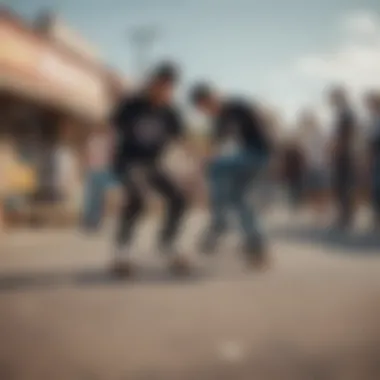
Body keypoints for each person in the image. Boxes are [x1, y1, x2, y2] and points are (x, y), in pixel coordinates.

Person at [110, 62, 192, 275]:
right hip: (128, 162)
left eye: (167, 87)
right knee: (137, 197)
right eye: (158, 84)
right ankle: (123, 252)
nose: (162, 90)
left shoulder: (171, 113)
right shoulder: (131, 105)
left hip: (154, 164)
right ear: (151, 84)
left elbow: (181, 143)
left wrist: (191, 172)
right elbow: (112, 125)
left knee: (180, 198)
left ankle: (167, 243)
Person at [190, 83, 271, 268]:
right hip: (247, 158)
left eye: (206, 107)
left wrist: (207, 160)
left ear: (211, 98)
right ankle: (256, 244)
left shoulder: (235, 108)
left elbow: (225, 142)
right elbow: (216, 145)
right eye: (204, 110)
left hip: (257, 154)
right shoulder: (219, 119)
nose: (207, 112)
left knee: (215, 167)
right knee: (239, 199)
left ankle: (219, 223)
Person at [329, 87, 357, 229]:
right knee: (342, 186)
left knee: (344, 186)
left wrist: (336, 151)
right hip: (344, 155)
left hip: (345, 155)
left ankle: (346, 217)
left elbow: (345, 137)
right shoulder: (343, 114)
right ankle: (344, 216)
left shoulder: (346, 114)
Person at [82, 124, 114, 231]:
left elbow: (111, 157)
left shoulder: (106, 142)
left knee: (99, 198)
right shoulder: (93, 141)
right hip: (93, 170)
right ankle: (90, 221)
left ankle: (96, 221)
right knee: (91, 198)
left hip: (102, 170)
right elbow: (87, 155)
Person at [298, 110, 330, 221]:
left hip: (321, 164)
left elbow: (327, 148)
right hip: (312, 164)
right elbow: (303, 151)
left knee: (321, 188)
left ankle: (322, 209)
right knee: (313, 188)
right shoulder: (305, 134)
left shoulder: (321, 133)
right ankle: (317, 210)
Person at [364, 91, 380, 229]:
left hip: (377, 160)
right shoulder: (373, 120)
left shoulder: (376, 122)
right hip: (376, 160)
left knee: (377, 189)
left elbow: (373, 144)